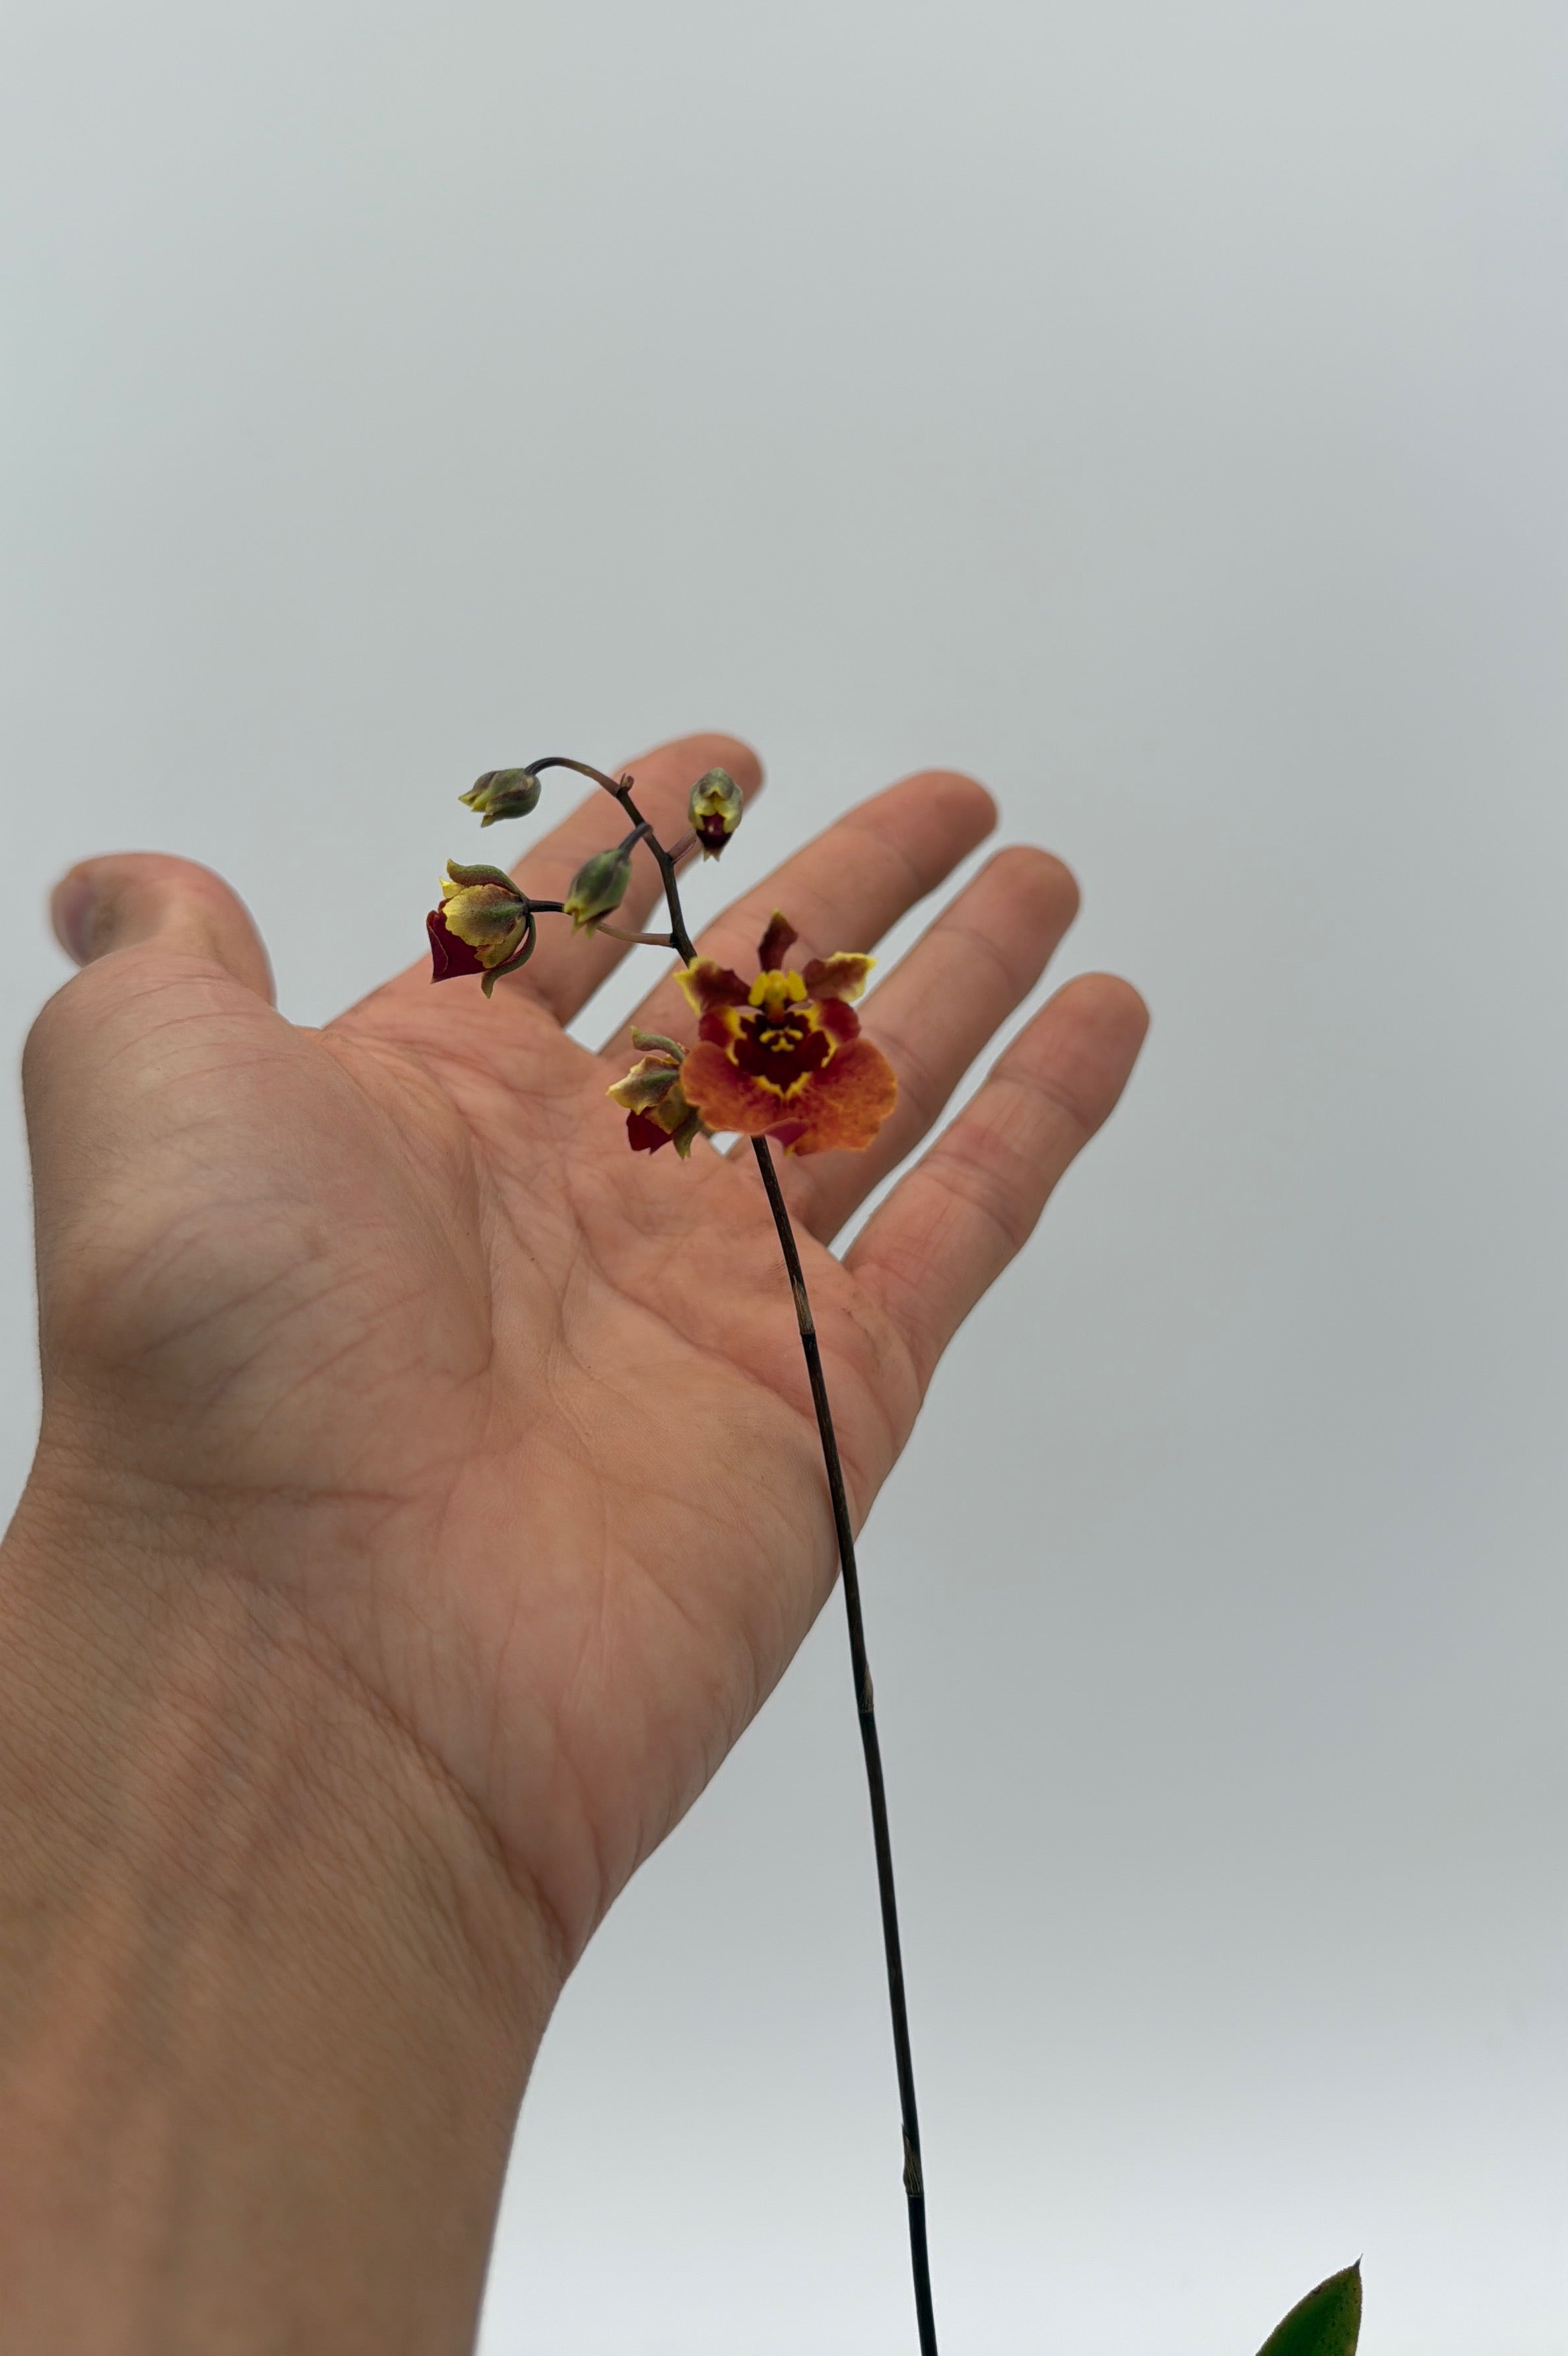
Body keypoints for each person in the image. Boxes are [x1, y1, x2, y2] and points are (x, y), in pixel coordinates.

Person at [0, 731, 1146, 2351]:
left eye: (784, 1030)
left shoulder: (773, 1063)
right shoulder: (706, 1071)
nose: (772, 1035)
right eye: (763, 1031)